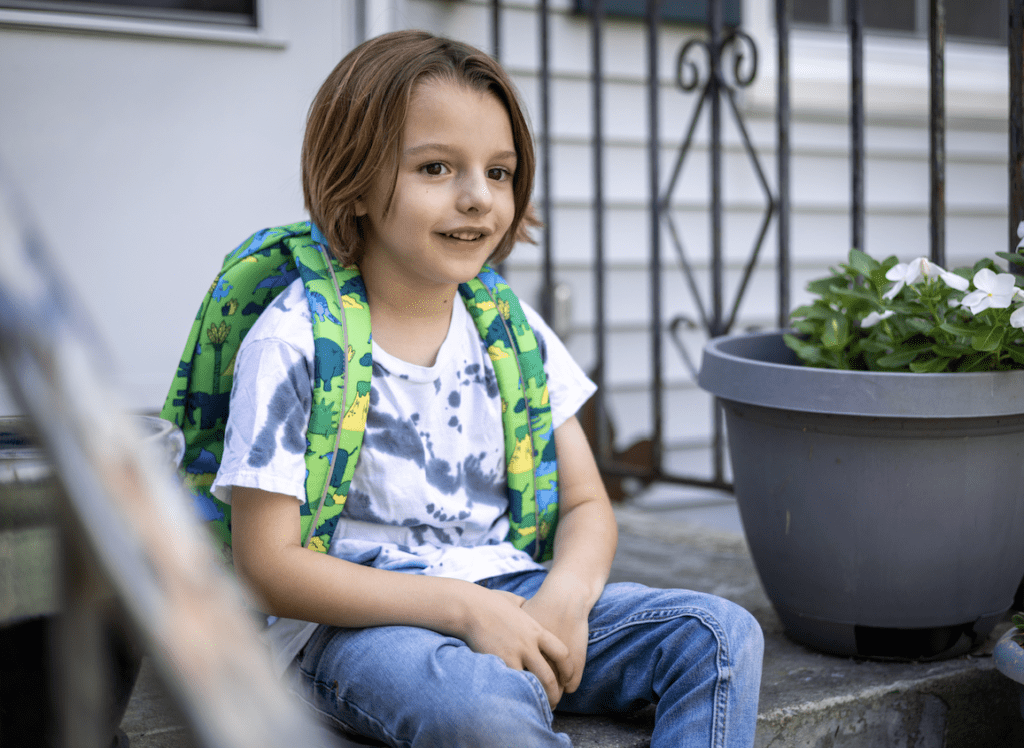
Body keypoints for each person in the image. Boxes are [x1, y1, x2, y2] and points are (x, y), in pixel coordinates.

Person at [212, 29, 763, 748]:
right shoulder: (294, 343)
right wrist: (462, 612)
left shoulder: (510, 330)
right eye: (437, 167)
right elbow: (268, 566)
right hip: (358, 629)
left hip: (515, 594)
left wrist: (565, 597)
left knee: (717, 635)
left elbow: (589, 502)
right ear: (353, 180)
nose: (478, 198)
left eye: (499, 172)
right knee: (480, 704)